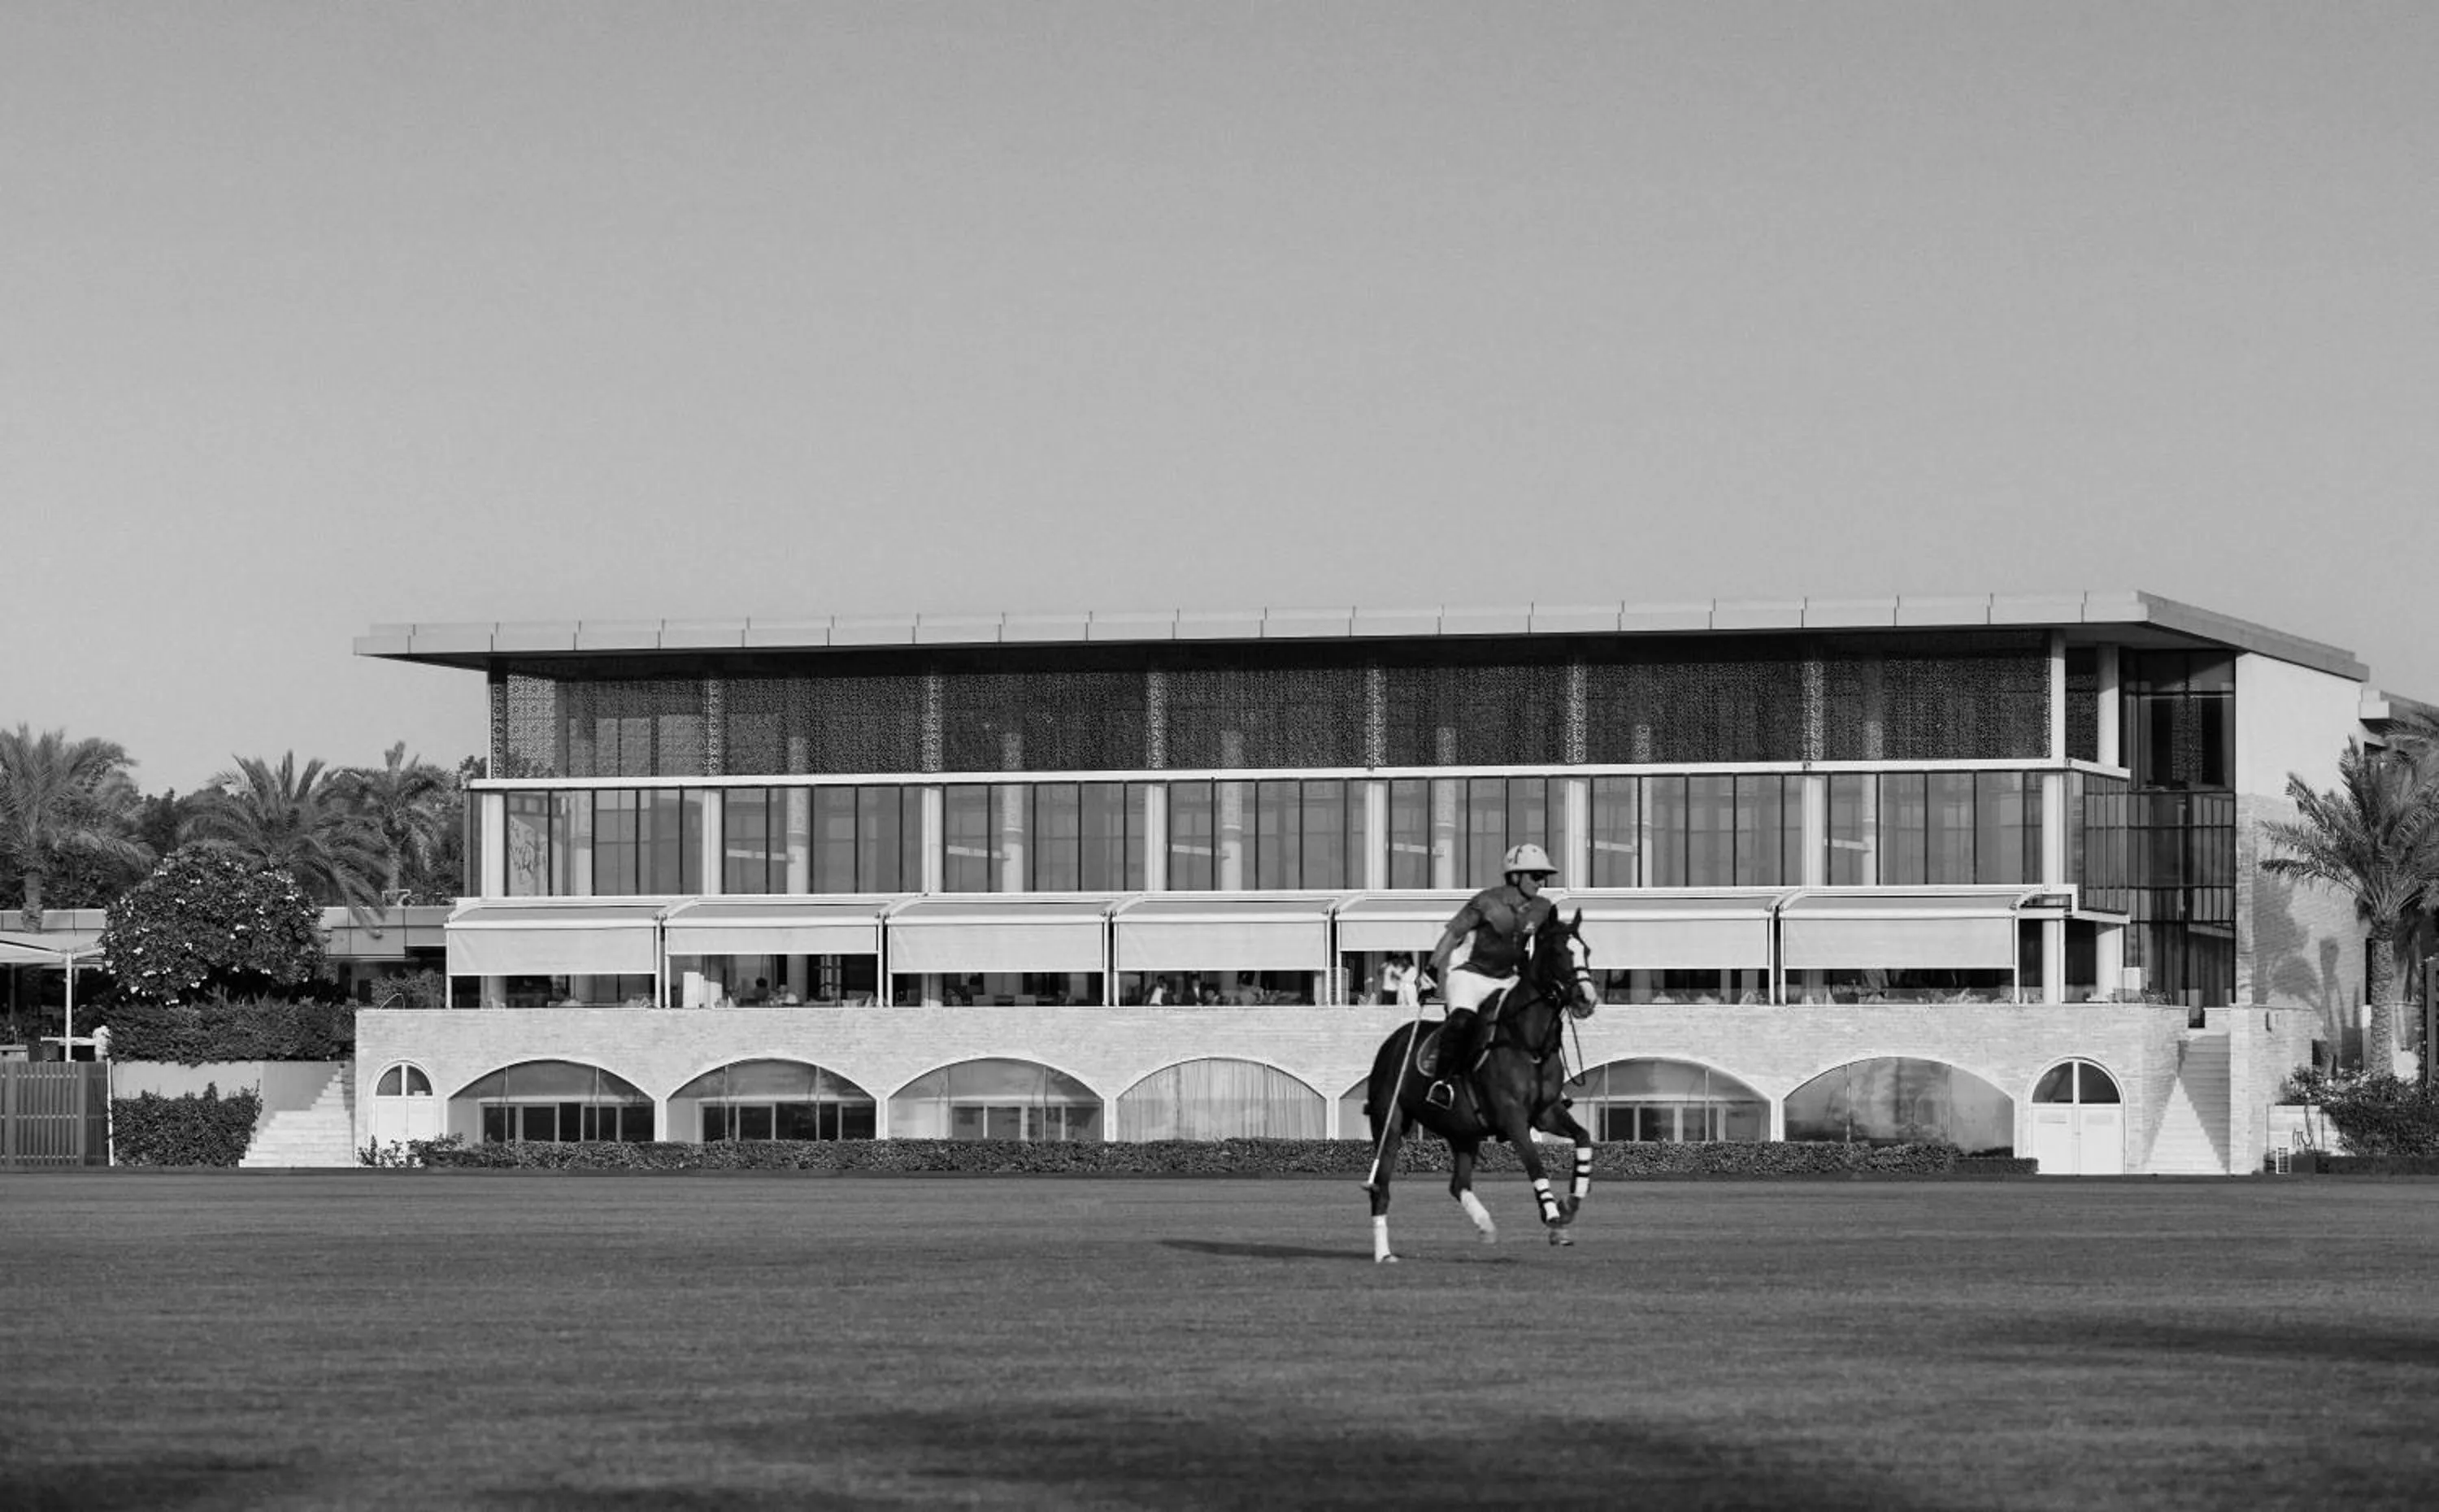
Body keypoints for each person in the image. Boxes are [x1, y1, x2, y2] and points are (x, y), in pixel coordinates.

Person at [1420, 843, 1560, 1108]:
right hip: (1470, 975)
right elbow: (1453, 935)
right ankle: (1442, 1083)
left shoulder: (1543, 908)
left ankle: (1547, 1085)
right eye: (1536, 876)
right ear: (1515, 876)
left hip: (1508, 978)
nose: (1541, 882)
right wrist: (1430, 970)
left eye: (1544, 876)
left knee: (1539, 1019)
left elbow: (1549, 946)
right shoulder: (1486, 902)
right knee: (1462, 1022)